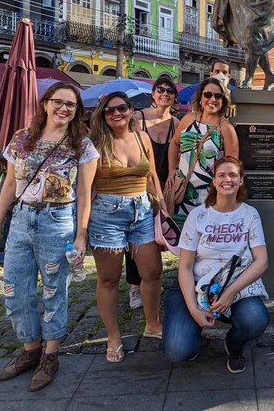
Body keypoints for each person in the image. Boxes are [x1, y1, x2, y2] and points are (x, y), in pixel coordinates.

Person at [0, 82, 97, 392]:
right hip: (22, 218)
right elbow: (9, 184)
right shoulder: (22, 139)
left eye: (71, 105)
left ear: (77, 111)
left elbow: (85, 192)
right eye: (58, 102)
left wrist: (81, 235)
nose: (64, 108)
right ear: (46, 103)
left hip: (58, 219)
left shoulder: (82, 145)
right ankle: (29, 349)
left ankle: (50, 355)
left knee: (53, 291)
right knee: (14, 288)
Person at [162, 156, 270, 374]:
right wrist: (193, 309)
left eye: (233, 175)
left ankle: (234, 344)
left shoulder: (250, 214)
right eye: (221, 175)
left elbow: (262, 261)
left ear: (241, 181)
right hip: (196, 285)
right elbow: (184, 267)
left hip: (234, 286)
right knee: (177, 351)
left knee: (256, 320)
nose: (227, 180)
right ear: (213, 180)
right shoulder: (197, 215)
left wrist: (230, 293)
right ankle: (190, 334)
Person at [88, 92, 166, 362]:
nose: (116, 114)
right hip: (106, 214)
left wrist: (162, 204)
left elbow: (152, 175)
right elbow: (85, 186)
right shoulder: (96, 142)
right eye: (109, 111)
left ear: (132, 110)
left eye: (122, 108)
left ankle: (153, 322)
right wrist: (80, 227)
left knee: (153, 271)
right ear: (102, 115)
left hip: (142, 209)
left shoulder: (142, 137)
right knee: (109, 279)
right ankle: (113, 336)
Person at [133, 73, 180, 310]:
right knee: (137, 237)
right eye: (160, 89)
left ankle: (151, 279)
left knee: (158, 235)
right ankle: (135, 285)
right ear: (153, 94)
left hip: (166, 185)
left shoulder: (176, 123)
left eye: (169, 91)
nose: (164, 93)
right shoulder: (137, 119)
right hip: (139, 184)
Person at [168, 77, 238, 228]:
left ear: (223, 101)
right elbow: (174, 144)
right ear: (200, 97)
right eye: (208, 94)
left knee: (205, 241)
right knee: (182, 239)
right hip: (182, 191)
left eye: (218, 96)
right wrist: (171, 170)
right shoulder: (188, 119)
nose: (212, 99)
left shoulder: (226, 128)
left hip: (208, 195)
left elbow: (232, 166)